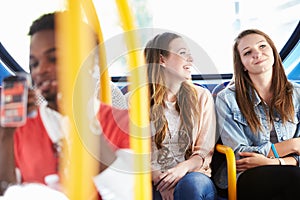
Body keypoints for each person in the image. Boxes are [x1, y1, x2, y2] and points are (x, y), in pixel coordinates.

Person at [0, 11, 131, 199]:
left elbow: (129, 193)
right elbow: (6, 190)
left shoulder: (123, 123)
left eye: (54, 59)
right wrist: (5, 135)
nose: (40, 70)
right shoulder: (20, 128)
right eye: (34, 63)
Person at [215, 29, 300, 200]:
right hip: (248, 174)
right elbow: (240, 154)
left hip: (291, 169)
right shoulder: (227, 99)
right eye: (248, 52)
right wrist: (291, 145)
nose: (257, 53)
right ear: (242, 65)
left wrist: (272, 161)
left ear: (274, 53)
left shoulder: (297, 93)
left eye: (262, 46)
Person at [140, 32, 217, 200]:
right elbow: (133, 152)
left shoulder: (202, 97)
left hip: (193, 176)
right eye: (183, 53)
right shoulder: (135, 101)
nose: (191, 60)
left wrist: (182, 169)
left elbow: (203, 152)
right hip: (149, 177)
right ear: (162, 60)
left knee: (190, 186)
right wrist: (161, 181)